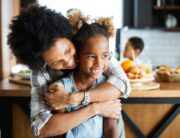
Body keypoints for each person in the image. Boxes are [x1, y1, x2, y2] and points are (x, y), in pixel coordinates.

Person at [7, 4, 130, 137]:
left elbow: (123, 84)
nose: (69, 61)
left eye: (67, 50)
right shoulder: (40, 72)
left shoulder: (91, 47)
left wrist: (73, 99)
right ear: (43, 62)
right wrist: (95, 108)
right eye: (57, 62)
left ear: (69, 35)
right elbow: (41, 127)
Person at [47, 14, 125, 138]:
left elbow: (110, 129)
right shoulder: (61, 89)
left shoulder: (106, 88)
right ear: (77, 56)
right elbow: (60, 133)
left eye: (105, 56)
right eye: (91, 57)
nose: (99, 63)